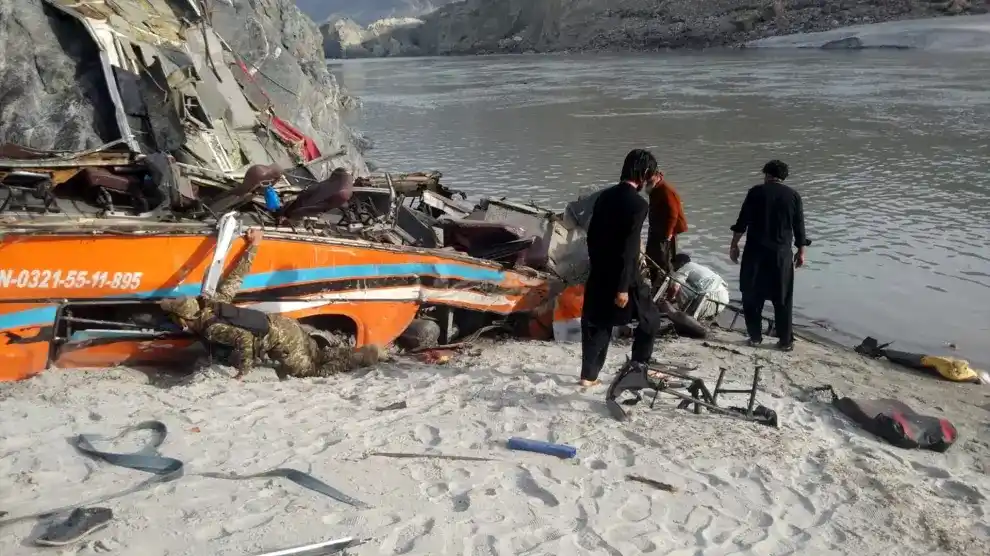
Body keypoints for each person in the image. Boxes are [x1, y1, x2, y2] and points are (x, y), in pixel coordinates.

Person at [159, 229, 382, 379]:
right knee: (315, 352)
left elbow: (244, 338)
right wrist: (254, 245)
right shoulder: (212, 303)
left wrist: (242, 371)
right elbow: (236, 277)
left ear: (183, 318)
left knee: (310, 370)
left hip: (280, 340)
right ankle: (359, 351)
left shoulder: (211, 328)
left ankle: (360, 358)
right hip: (286, 325)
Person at [580, 149, 664, 387]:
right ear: (645, 173)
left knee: (598, 322)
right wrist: (623, 287)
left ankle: (588, 376)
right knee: (650, 319)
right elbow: (629, 249)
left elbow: (592, 236)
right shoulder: (638, 205)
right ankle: (638, 367)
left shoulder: (604, 196)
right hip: (624, 274)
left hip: (599, 270)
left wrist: (597, 265)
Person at [729, 160, 809, 351]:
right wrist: (801, 252)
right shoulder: (793, 196)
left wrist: (734, 245)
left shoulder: (755, 192)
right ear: (784, 177)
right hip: (781, 255)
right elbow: (799, 228)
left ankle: (755, 337)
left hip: (755, 253)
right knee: (782, 298)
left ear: (766, 175)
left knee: (751, 294)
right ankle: (785, 341)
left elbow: (742, 222)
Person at [645, 171, 688, 284]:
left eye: (649, 178)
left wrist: (668, 234)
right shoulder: (654, 188)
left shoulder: (666, 190)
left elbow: (673, 214)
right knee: (652, 257)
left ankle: (666, 286)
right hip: (656, 229)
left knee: (663, 260)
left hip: (664, 232)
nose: (647, 181)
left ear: (657, 176)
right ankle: (656, 283)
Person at [667, 253, 730, 321]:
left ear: (681, 263)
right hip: (723, 301)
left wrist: (667, 300)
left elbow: (675, 288)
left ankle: (683, 315)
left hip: (708, 299)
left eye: (674, 266)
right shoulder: (699, 267)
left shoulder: (684, 268)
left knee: (677, 283)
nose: (674, 269)